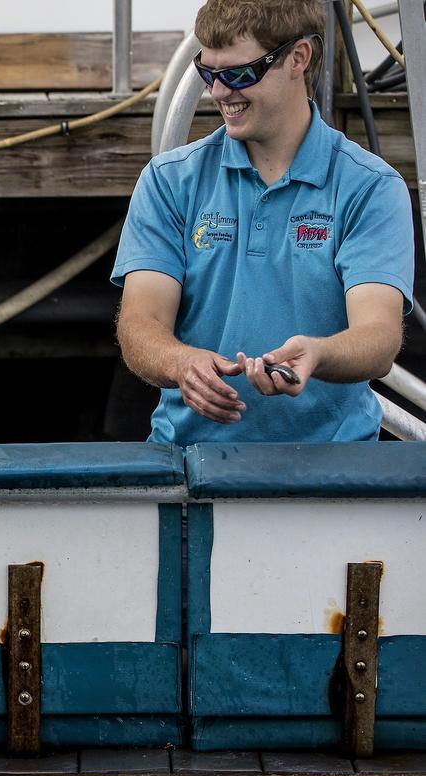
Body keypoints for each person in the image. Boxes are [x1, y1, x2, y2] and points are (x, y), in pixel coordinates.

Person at [112, 0, 414, 446]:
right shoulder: (168, 180)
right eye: (208, 73)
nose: (218, 92)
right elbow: (140, 322)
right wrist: (181, 364)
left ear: (299, 58)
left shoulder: (371, 186)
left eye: (238, 74)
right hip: (187, 464)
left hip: (335, 471)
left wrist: (319, 354)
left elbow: (379, 336)